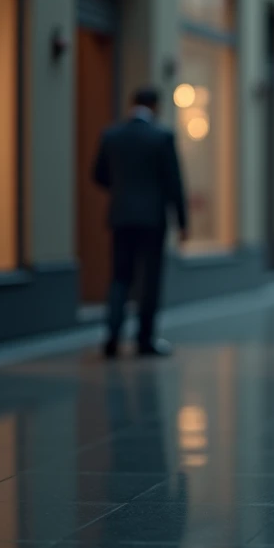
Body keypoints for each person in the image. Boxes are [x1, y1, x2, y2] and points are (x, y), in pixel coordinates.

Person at [93, 86, 187, 359]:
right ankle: (144, 339)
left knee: (120, 277)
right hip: (152, 219)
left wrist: (122, 190)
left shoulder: (112, 136)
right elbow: (174, 183)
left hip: (121, 216)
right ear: (155, 106)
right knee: (150, 279)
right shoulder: (161, 137)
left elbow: (98, 175)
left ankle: (112, 336)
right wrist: (182, 221)